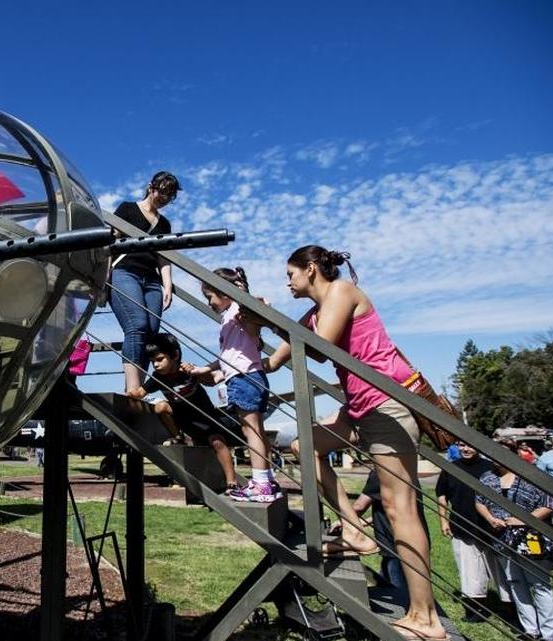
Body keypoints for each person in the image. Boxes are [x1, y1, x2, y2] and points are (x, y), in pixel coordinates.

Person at [265, 245, 446, 641]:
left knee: (401, 511)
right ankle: (353, 527)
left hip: (385, 405)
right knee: (304, 448)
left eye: (290, 274)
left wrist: (273, 322)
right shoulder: (313, 314)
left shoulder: (341, 292)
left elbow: (318, 347)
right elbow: (275, 360)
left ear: (311, 269)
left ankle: (426, 618)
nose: (287, 282)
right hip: (359, 408)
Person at [190, 268, 280, 502]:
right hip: (246, 375)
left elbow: (260, 306)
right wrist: (208, 370)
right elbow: (228, 355)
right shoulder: (229, 317)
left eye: (210, 297)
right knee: (255, 429)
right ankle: (266, 479)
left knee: (250, 430)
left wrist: (241, 295)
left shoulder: (238, 310)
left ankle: (261, 484)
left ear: (225, 293)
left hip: (244, 378)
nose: (209, 303)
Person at [128, 333, 240, 493]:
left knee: (217, 443)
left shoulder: (186, 370)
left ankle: (232, 482)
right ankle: (178, 436)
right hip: (182, 417)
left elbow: (211, 381)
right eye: (153, 362)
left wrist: (196, 371)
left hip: (203, 416)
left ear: (175, 355)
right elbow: (140, 392)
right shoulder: (158, 378)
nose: (156, 365)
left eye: (160, 359)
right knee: (161, 407)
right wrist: (131, 393)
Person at [476, 439, 553, 641]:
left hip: (531, 539)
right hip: (502, 538)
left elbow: (549, 504)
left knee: (539, 585)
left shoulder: (532, 475)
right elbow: (479, 501)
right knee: (515, 582)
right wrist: (490, 519)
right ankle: (530, 629)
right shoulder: (487, 477)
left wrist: (523, 520)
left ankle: (549, 634)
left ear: (514, 454)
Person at [108, 171, 180, 395]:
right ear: (151, 187)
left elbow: (163, 256)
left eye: (170, 195)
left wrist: (167, 285)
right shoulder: (127, 208)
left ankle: (138, 390)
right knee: (136, 326)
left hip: (151, 281)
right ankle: (133, 389)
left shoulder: (164, 224)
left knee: (150, 334)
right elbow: (110, 241)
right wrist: (103, 275)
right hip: (125, 271)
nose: (165, 197)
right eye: (163, 191)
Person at [436, 441, 505, 623]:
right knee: (469, 571)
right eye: (461, 446)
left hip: (491, 528)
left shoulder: (490, 468)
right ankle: (475, 610)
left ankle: (511, 608)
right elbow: (441, 495)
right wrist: (443, 520)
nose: (466, 449)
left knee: (500, 570)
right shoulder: (451, 468)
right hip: (462, 525)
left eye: (470, 445)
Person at [352, 468, 430, 598]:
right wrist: (366, 521)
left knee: (398, 590)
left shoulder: (380, 473)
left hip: (396, 544)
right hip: (411, 541)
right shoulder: (405, 471)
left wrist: (342, 522)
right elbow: (393, 507)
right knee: (388, 580)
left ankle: (408, 611)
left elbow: (359, 506)